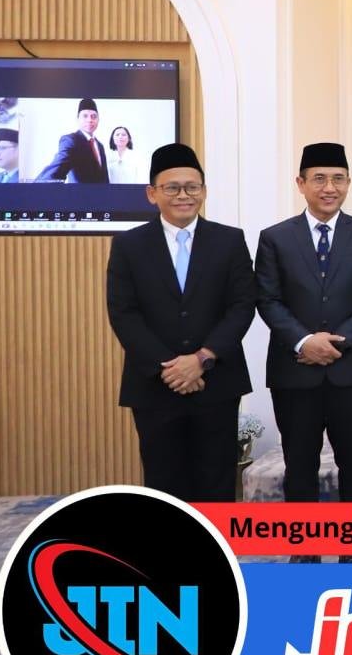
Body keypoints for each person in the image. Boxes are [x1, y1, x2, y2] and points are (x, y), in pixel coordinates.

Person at [255, 143, 352, 561]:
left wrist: (335, 342)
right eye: (319, 178)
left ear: (348, 183)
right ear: (301, 184)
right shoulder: (275, 238)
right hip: (294, 370)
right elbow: (267, 299)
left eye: (337, 178)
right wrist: (304, 341)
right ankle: (305, 546)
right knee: (300, 463)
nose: (329, 187)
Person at [104, 143, 256, 501]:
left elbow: (242, 305)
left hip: (217, 382)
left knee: (217, 481)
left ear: (203, 191)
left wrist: (202, 358)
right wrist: (171, 367)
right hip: (155, 386)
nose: (183, 195)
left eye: (192, 187)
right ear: (152, 193)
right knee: (164, 482)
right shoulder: (129, 245)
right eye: (172, 187)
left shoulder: (229, 240)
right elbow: (123, 312)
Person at [38, 98, 108, 183]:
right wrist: (35, 189)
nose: (90, 120)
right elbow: (56, 171)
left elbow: (105, 177)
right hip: (79, 192)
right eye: (85, 116)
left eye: (93, 116)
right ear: (78, 119)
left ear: (98, 120)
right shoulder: (71, 140)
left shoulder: (100, 146)